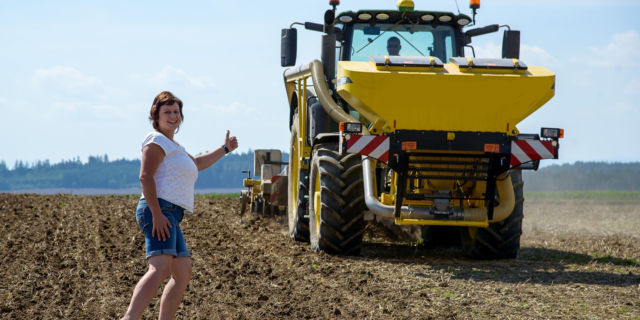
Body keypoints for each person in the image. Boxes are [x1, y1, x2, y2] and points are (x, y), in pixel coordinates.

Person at [122, 91, 238, 320]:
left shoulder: (175, 146)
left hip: (171, 213)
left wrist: (224, 150)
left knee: (182, 273)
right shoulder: (156, 141)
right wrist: (156, 214)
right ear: (156, 116)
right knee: (160, 269)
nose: (173, 115)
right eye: (167, 112)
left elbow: (198, 163)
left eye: (176, 111)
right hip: (159, 209)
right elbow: (145, 177)